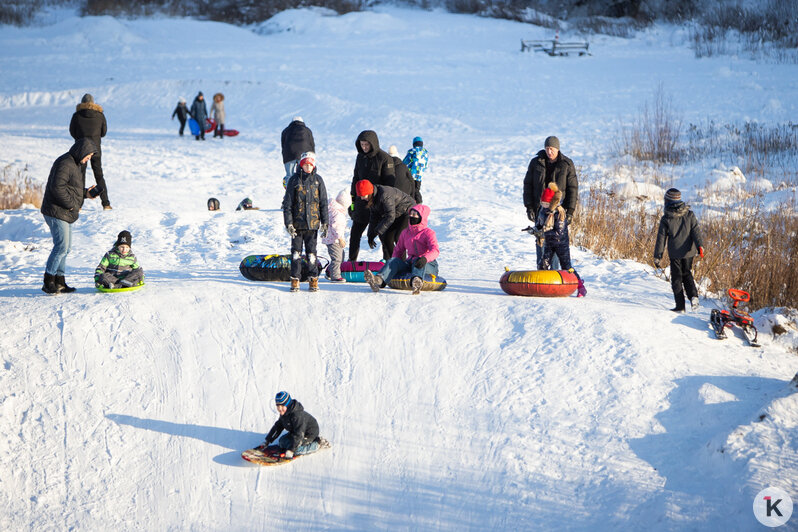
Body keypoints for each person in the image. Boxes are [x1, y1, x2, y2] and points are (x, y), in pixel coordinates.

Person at [40, 138, 99, 294]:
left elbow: (70, 189)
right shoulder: (65, 163)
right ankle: (48, 281)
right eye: (89, 155)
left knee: (66, 248)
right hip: (56, 210)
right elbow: (57, 188)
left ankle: (60, 281)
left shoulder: (74, 164)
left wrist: (86, 194)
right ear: (82, 151)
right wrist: (72, 205)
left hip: (64, 211)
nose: (89, 159)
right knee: (61, 247)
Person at [523, 136, 579, 269]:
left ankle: (554, 273)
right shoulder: (536, 162)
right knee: (540, 239)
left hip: (558, 211)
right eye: (547, 148)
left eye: (552, 149)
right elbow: (527, 185)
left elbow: (573, 189)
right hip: (540, 208)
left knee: (555, 241)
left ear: (557, 149)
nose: (549, 152)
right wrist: (529, 207)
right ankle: (541, 271)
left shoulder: (567, 164)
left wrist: (569, 211)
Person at [364, 204, 439, 295]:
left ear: (421, 217)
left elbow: (435, 250)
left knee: (417, 261)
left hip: (428, 264)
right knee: (393, 260)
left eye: (415, 214)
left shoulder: (428, 233)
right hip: (410, 262)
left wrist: (425, 258)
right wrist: (394, 266)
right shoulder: (405, 232)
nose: (411, 216)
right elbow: (398, 250)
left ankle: (417, 282)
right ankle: (378, 280)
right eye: (410, 214)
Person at [282, 152, 328, 292]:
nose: (308, 167)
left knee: (311, 253)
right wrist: (288, 223)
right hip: (297, 225)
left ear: (313, 165)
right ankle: (295, 279)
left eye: (310, 164)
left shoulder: (318, 180)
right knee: (296, 253)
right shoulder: (294, 181)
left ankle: (313, 279)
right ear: (301, 165)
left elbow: (323, 203)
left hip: (312, 224)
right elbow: (288, 204)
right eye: (305, 164)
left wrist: (325, 222)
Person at [653, 188, 704, 312]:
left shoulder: (666, 218)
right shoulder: (690, 214)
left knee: (677, 279)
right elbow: (696, 232)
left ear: (668, 201)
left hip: (675, 253)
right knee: (687, 274)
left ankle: (680, 306)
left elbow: (661, 239)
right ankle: (694, 296)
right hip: (689, 252)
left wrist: (658, 256)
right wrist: (700, 246)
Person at [349, 130, 395, 261]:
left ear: (373, 143)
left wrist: (383, 200)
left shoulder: (385, 158)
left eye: (366, 145)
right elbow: (356, 177)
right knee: (355, 233)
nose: (364, 147)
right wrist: (353, 197)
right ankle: (351, 261)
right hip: (361, 201)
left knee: (383, 235)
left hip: (378, 202)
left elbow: (390, 184)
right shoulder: (360, 157)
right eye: (362, 145)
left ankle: (389, 262)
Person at [534, 183, 586, 297]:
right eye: (542, 203)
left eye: (546, 203)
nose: (543, 205)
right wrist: (535, 230)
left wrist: (544, 232)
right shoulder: (543, 210)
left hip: (560, 243)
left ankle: (580, 286)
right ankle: (542, 286)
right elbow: (539, 224)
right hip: (549, 242)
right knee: (543, 263)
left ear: (552, 202)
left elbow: (559, 232)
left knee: (566, 266)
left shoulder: (560, 213)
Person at [355, 180, 416, 261]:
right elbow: (374, 217)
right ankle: (394, 261)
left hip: (407, 211)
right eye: (360, 196)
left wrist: (377, 231)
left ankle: (403, 264)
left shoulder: (384, 195)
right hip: (396, 213)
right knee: (387, 239)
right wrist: (370, 234)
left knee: (398, 237)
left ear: (369, 192)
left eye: (364, 195)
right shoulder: (372, 198)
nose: (362, 198)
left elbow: (390, 216)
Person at [69, 93, 111, 210]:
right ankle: (106, 204)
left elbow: (72, 132)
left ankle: (79, 204)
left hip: (81, 150)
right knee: (99, 175)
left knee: (80, 176)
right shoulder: (100, 115)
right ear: (93, 103)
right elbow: (104, 132)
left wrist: (80, 139)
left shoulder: (76, 116)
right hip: (95, 149)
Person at [262, 391, 326, 459]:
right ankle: (292, 446)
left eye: (282, 406)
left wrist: (291, 450)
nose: (280, 408)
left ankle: (317, 444)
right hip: (296, 432)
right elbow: (278, 426)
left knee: (296, 450)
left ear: (288, 405)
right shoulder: (284, 413)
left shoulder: (297, 416)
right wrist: (267, 440)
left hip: (309, 433)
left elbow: (299, 434)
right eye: (278, 406)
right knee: (282, 442)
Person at [322, 189, 351, 282]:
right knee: (337, 258)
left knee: (340, 256)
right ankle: (335, 276)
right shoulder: (338, 213)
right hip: (333, 239)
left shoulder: (334, 209)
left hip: (332, 238)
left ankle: (329, 271)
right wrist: (340, 238)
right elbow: (336, 227)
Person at [280, 117, 315, 188]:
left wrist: (285, 156)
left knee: (289, 175)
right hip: (303, 156)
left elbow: (283, 145)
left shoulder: (285, 131)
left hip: (289, 156)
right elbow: (312, 144)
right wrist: (312, 157)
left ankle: (288, 193)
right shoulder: (307, 130)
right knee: (303, 174)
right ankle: (303, 192)